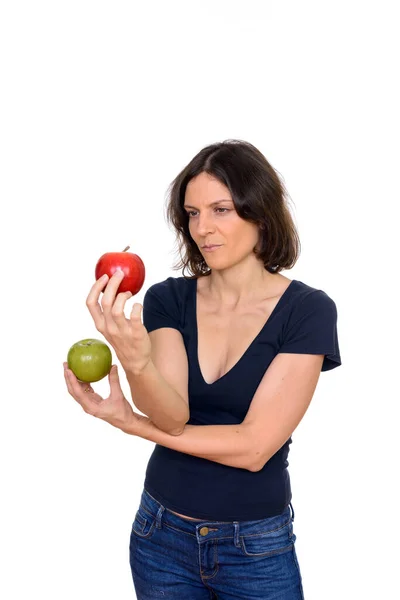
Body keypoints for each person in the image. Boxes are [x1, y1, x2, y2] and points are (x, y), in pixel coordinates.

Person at [63, 139, 341, 599]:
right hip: (160, 536)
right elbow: (172, 414)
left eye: (221, 210)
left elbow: (254, 448)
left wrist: (133, 424)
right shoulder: (168, 299)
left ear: (260, 212)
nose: (203, 229)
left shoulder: (307, 311)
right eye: (192, 213)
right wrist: (135, 361)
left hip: (255, 548)